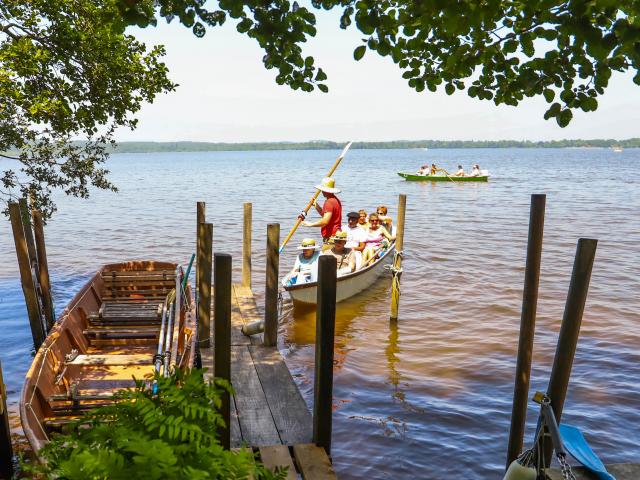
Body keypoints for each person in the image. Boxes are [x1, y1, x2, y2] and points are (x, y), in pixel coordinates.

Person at [301, 177, 342, 244]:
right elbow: (326, 216)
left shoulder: (329, 202)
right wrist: (316, 206)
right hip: (336, 236)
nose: (321, 191)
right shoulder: (335, 200)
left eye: (322, 190)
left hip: (331, 238)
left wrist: (310, 224)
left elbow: (325, 221)